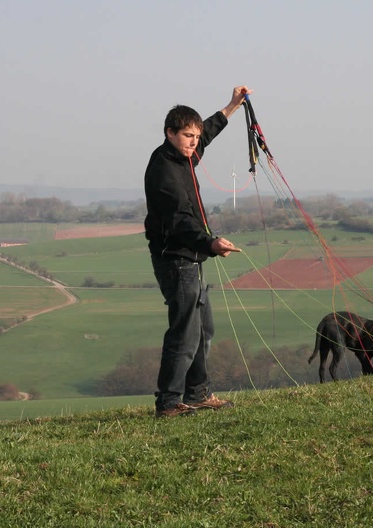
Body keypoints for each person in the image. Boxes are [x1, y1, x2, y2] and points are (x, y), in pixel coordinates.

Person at [144, 86, 249, 417]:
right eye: (187, 135)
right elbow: (180, 222)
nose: (193, 141)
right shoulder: (164, 171)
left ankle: (198, 393)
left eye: (195, 136)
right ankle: (169, 402)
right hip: (176, 259)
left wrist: (232, 107)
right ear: (170, 133)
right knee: (185, 331)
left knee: (204, 328)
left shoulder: (186, 154)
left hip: (192, 257)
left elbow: (207, 133)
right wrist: (211, 244)